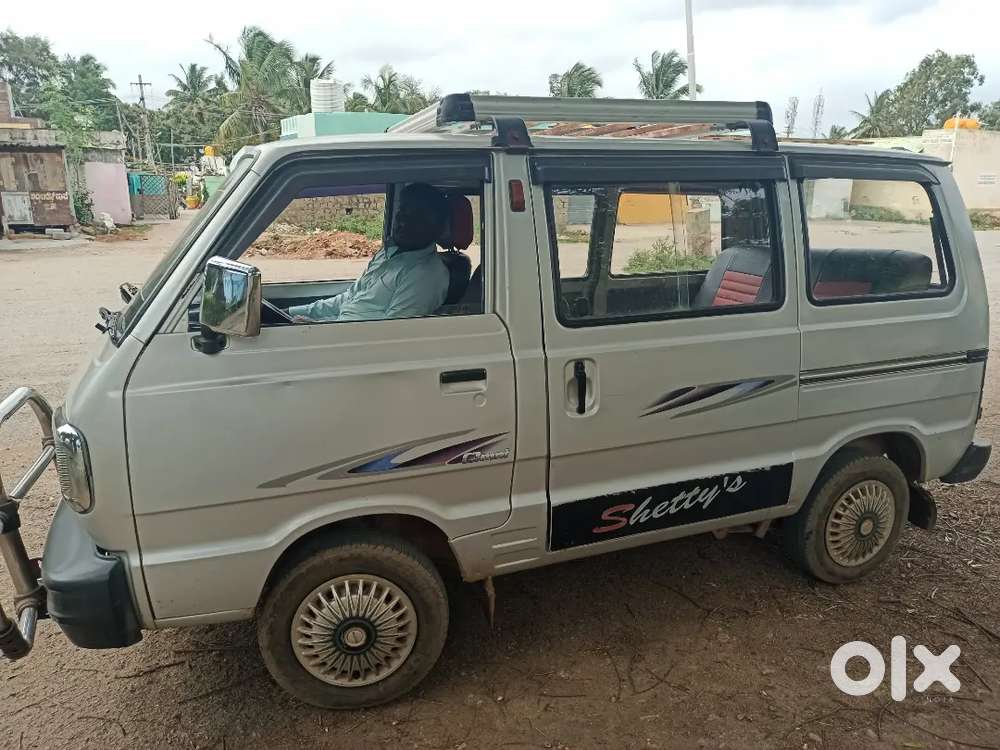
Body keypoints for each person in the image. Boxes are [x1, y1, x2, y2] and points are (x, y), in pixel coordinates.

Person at [288, 183, 450, 322]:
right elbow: (350, 299)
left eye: (417, 216)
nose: (403, 221)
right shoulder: (387, 254)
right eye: (402, 211)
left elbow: (392, 333)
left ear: (437, 227)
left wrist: (317, 328)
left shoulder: (426, 275)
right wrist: (290, 312)